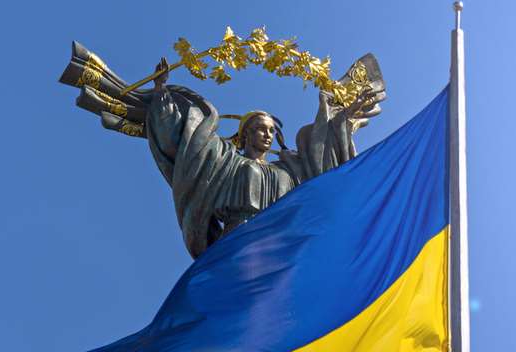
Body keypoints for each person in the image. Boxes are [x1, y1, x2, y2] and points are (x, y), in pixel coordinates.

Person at [145, 56, 385, 258]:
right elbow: (187, 141)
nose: (268, 135)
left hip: (281, 244)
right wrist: (161, 93)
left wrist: (342, 118)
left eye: (271, 130)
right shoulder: (227, 162)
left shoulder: (290, 170)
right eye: (261, 129)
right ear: (245, 135)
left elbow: (322, 157)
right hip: (238, 240)